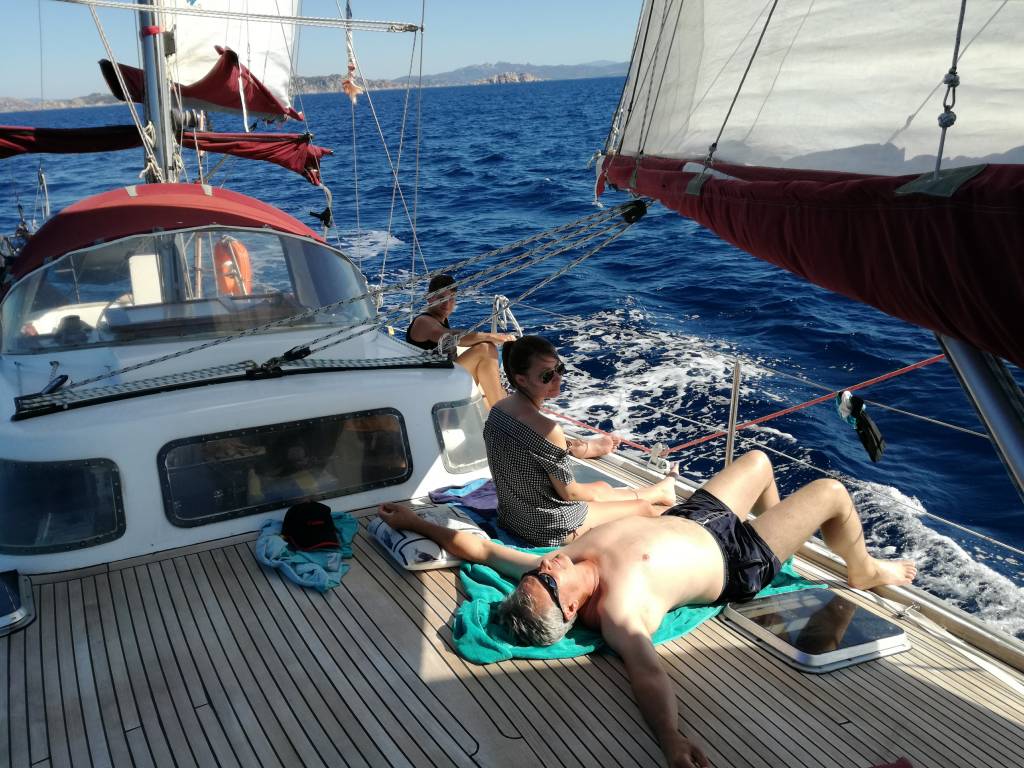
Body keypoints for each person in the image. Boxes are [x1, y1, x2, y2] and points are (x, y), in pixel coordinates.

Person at [378, 449, 917, 768]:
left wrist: (414, 522)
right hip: (736, 558)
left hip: (695, 515)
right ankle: (860, 568)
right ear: (570, 608)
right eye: (548, 577)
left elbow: (482, 550)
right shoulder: (620, 614)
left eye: (541, 571)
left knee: (758, 460)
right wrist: (670, 739)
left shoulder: (555, 571)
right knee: (831, 491)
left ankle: (787, 549)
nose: (547, 564)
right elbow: (649, 675)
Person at [485, 335, 678, 547]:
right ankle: (681, 517)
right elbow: (572, 494)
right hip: (545, 528)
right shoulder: (548, 429)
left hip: (511, 516)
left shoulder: (498, 410)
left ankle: (661, 491)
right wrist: (595, 496)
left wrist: (598, 491)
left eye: (560, 369)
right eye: (547, 376)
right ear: (521, 379)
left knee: (601, 487)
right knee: (643, 508)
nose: (558, 379)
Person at [406, 273, 515, 409]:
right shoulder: (423, 322)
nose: (446, 304)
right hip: (433, 385)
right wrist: (491, 336)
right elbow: (448, 336)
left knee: (497, 395)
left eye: (451, 299)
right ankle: (503, 415)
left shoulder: (441, 319)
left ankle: (500, 406)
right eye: (441, 298)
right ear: (429, 298)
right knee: (486, 349)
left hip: (444, 378)